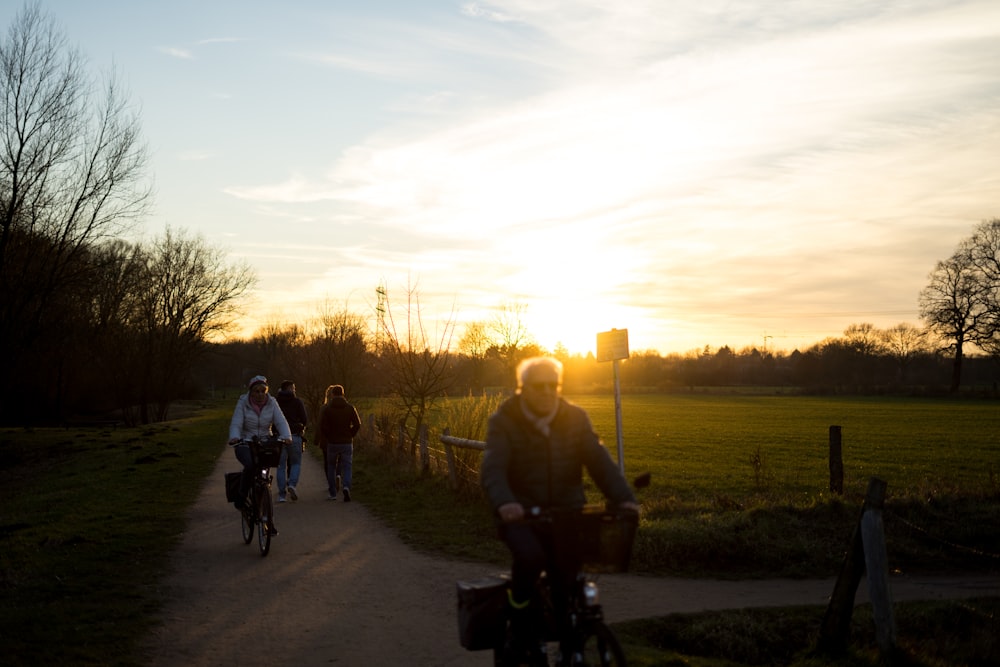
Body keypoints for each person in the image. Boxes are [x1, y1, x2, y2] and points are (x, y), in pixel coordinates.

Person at [479, 356, 640, 662]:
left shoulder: (574, 418)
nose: (547, 391)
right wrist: (505, 503)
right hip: (523, 516)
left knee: (567, 580)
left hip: (567, 515)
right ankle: (518, 614)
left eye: (554, 385)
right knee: (531, 558)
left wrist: (624, 497)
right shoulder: (505, 421)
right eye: (539, 386)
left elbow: (600, 462)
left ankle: (570, 648)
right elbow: (493, 470)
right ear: (523, 388)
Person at [228, 375, 292, 535]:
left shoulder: (272, 403)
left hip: (264, 442)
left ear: (267, 391)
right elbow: (236, 422)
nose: (260, 394)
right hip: (245, 442)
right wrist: (235, 437)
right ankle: (241, 497)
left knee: (264, 477)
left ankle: (268, 521)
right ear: (250, 392)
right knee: (250, 465)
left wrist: (287, 436)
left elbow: (281, 421)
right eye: (256, 391)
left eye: (263, 391)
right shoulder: (243, 403)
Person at [318, 384, 361, 502]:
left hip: (332, 442)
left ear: (332, 394)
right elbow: (357, 424)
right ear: (343, 394)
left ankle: (333, 493)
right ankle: (346, 486)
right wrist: (350, 434)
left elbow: (323, 426)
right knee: (347, 466)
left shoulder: (327, 409)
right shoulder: (350, 408)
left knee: (331, 467)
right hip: (346, 442)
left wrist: (328, 436)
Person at [274, 380, 308, 503]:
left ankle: (282, 494)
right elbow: (304, 419)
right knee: (296, 463)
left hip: (280, 437)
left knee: (281, 466)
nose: (294, 390)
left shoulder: (276, 402)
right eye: (293, 388)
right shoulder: (297, 402)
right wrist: (300, 427)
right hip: (294, 436)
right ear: (288, 388)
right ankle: (292, 484)